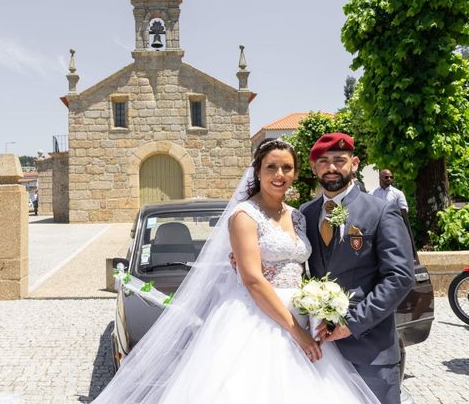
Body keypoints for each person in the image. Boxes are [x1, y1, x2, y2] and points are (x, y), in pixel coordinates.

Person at [93, 138, 379, 403]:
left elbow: (304, 268)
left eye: (287, 167)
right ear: (257, 172)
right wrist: (297, 332)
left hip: (303, 314)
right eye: (271, 167)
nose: (279, 174)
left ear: (295, 173)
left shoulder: (299, 216)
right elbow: (253, 280)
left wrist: (319, 308)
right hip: (257, 317)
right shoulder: (244, 216)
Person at [300, 133, 415, 404]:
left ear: (354, 163)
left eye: (339, 160)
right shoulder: (305, 213)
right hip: (320, 351)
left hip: (370, 351)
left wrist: (351, 323)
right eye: (323, 161)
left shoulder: (381, 211)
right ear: (314, 167)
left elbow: (399, 277)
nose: (331, 167)